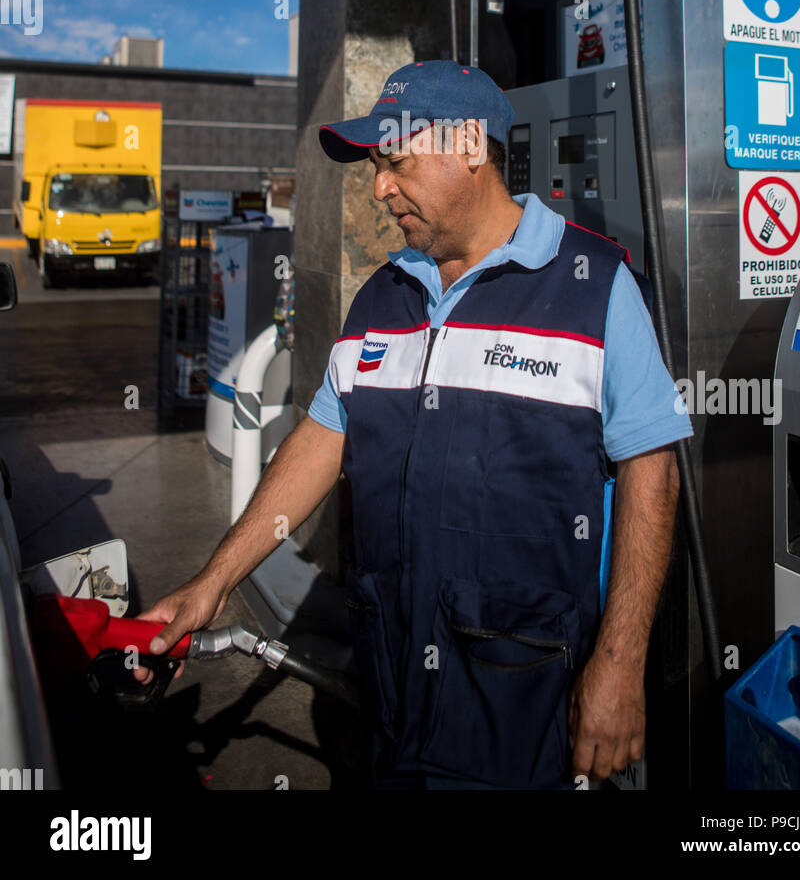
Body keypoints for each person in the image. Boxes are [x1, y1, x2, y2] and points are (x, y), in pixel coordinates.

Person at [137, 60, 692, 790]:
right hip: (392, 685)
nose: (379, 189)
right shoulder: (382, 296)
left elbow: (654, 472)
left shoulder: (594, 287)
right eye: (375, 168)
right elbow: (321, 439)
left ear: (469, 146)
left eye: (394, 162)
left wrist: (619, 667)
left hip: (522, 702)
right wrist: (215, 580)